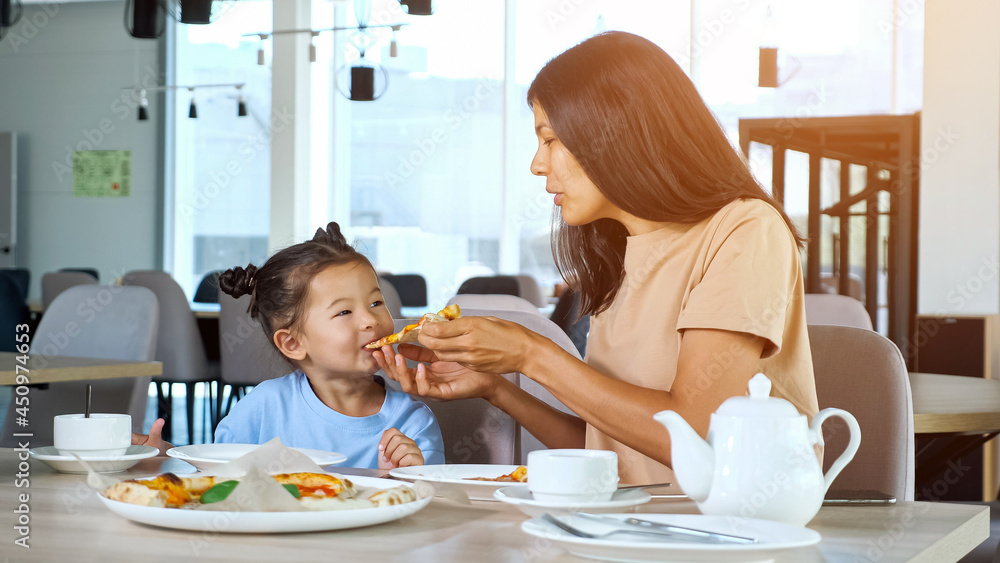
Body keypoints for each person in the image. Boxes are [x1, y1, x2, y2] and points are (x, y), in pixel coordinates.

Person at [375, 31, 819, 485]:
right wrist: (497, 388)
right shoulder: (619, 252)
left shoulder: (745, 229)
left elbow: (693, 435)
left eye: (550, 140)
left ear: (613, 134)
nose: (536, 163)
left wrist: (529, 353)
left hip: (728, 532)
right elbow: (616, 452)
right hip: (629, 526)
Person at [134, 223, 445, 469]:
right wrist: (164, 459)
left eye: (376, 302)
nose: (370, 320)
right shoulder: (263, 409)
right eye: (344, 312)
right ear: (293, 343)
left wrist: (398, 476)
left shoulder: (412, 423)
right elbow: (217, 479)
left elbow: (432, 507)